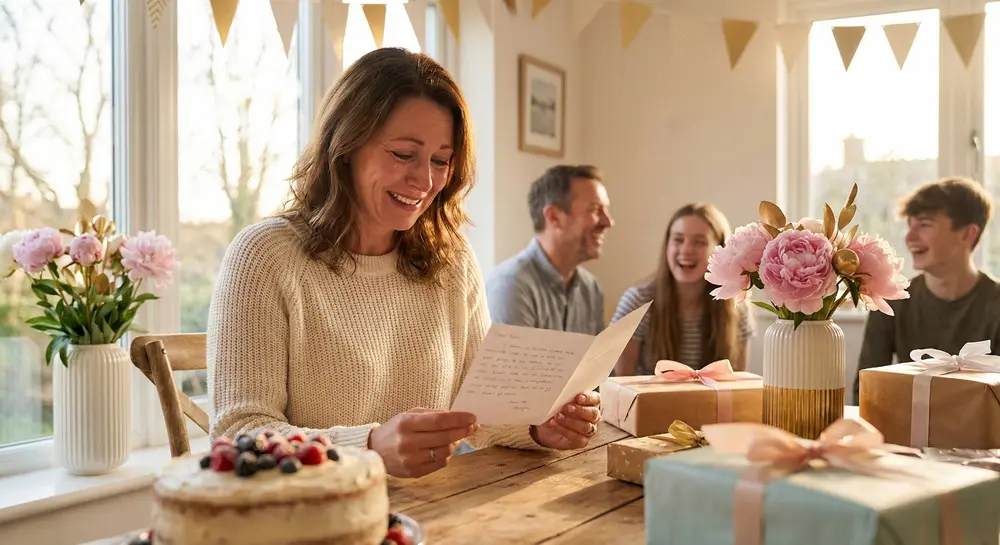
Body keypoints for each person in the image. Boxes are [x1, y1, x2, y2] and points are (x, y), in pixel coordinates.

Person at [206, 48, 602, 479]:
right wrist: (370, 447)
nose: (426, 181)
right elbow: (238, 434)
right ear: (345, 146)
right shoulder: (264, 256)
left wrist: (541, 424)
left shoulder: (451, 260)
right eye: (402, 154)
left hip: (432, 512)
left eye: (440, 160)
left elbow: (480, 410)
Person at [854, 176, 1000, 403]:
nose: (910, 237)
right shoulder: (892, 300)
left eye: (924, 225)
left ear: (967, 234)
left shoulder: (996, 304)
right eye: (909, 225)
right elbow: (865, 391)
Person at [611, 203, 753, 376]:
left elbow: (737, 388)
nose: (686, 250)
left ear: (720, 250)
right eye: (678, 240)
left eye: (699, 242)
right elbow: (622, 386)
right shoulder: (637, 302)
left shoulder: (738, 307)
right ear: (667, 246)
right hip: (650, 403)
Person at [485, 165, 613, 335]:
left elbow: (596, 361)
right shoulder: (511, 286)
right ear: (554, 217)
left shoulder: (591, 289)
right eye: (595, 210)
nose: (608, 222)